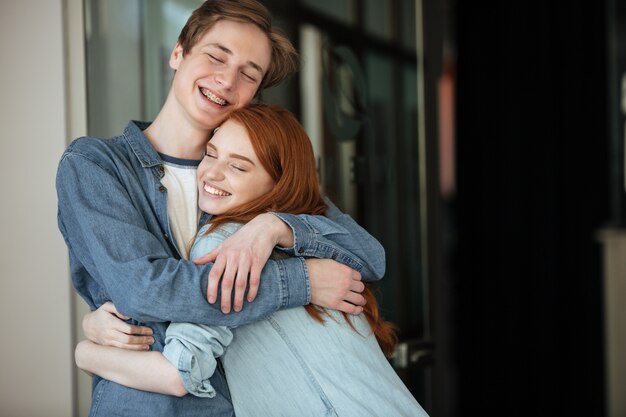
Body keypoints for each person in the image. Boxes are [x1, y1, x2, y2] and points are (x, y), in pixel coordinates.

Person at [56, 1, 385, 416]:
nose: (227, 80)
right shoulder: (95, 165)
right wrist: (299, 281)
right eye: (216, 56)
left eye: (249, 74)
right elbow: (145, 291)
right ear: (178, 53)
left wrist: (273, 227)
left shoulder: (260, 177)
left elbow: (369, 257)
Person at [75, 103, 428, 417]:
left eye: (239, 168)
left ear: (277, 184)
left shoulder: (225, 245)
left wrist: (83, 354)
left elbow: (180, 372)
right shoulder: (312, 238)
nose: (212, 174)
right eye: (211, 154)